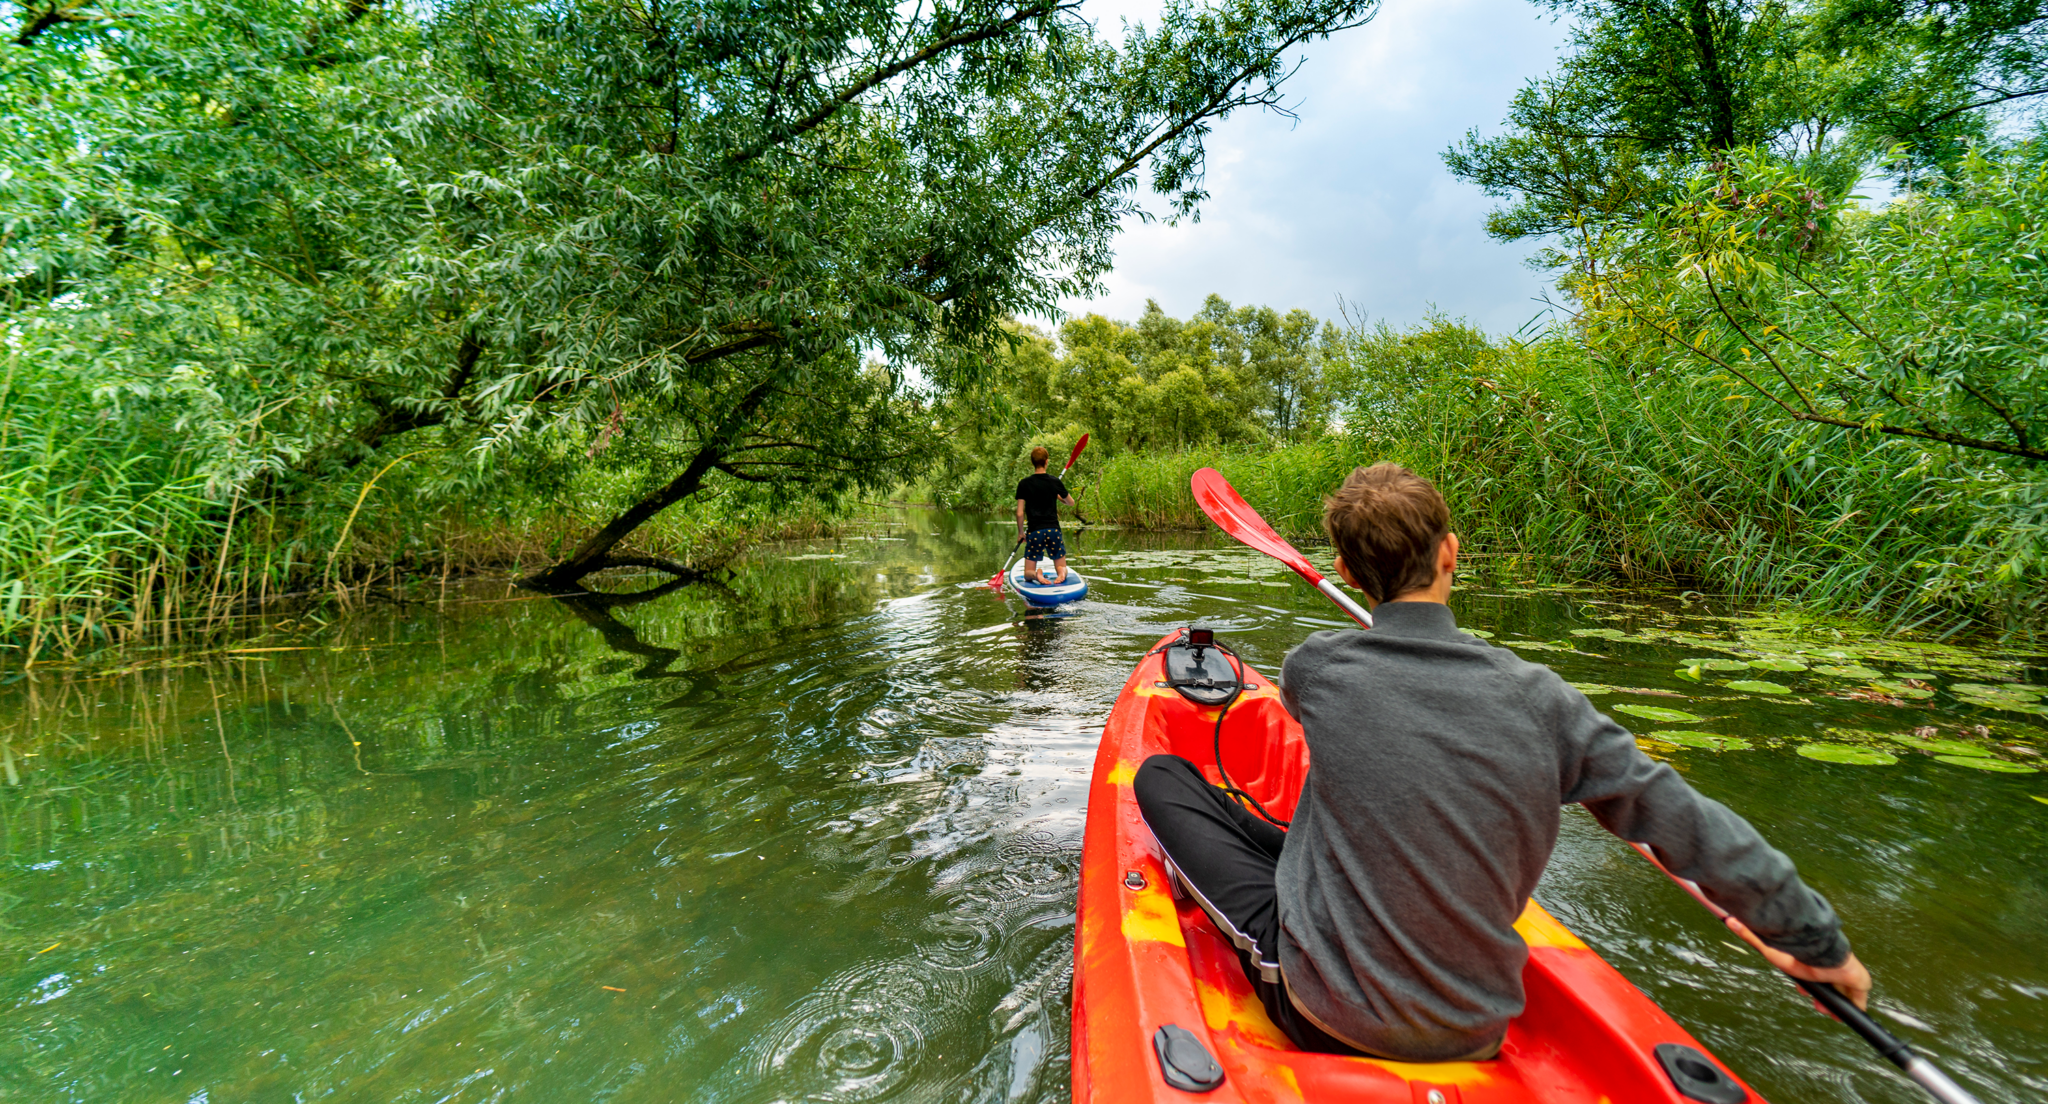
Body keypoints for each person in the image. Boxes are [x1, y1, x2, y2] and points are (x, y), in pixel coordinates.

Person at [1133, 462, 1870, 1062]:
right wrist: (1817, 942)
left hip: (1327, 1013)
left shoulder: (1314, 668)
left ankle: (1256, 928)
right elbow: (1687, 820)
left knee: (1162, 780)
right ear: (1451, 553)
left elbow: (1322, 712)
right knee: (1307, 834)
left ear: (1346, 573)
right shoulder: (1546, 701)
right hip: (1479, 1031)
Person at [1014, 445, 1078, 584]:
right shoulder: (1055, 481)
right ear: (1046, 461)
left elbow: (1019, 513)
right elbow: (1071, 502)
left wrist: (1020, 533)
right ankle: (1061, 572)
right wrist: (1060, 498)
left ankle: (1036, 575)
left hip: (1035, 531)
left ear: (1032, 463)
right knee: (1061, 565)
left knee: (1027, 574)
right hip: (1053, 530)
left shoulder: (1024, 484)